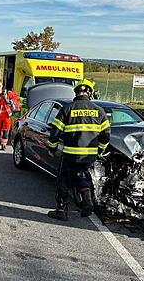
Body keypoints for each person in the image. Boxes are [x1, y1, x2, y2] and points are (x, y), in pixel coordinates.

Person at [46, 79, 110, 221]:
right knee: (80, 176)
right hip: (89, 156)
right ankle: (87, 200)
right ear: (90, 93)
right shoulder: (99, 111)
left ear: (76, 92)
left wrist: (52, 148)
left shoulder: (67, 109)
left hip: (70, 155)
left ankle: (62, 210)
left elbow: (55, 132)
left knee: (63, 180)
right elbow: (106, 134)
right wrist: (100, 149)